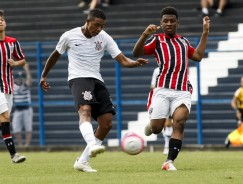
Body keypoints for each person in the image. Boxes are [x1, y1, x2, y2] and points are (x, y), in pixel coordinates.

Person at [40, 8, 148, 173]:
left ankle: (82, 161)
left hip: (97, 80)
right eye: (96, 25)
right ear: (88, 21)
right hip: (78, 78)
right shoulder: (69, 35)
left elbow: (122, 60)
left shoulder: (104, 38)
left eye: (102, 26)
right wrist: (43, 76)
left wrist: (134, 63)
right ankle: (92, 144)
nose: (99, 29)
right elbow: (55, 55)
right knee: (85, 111)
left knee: (106, 123)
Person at [133, 6, 210, 171]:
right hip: (162, 90)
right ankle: (152, 123)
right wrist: (145, 34)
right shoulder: (156, 40)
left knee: (180, 122)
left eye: (172, 21)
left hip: (182, 90)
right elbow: (136, 52)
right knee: (156, 129)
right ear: (161, 23)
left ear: (177, 23)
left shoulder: (184, 41)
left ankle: (169, 161)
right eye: (165, 21)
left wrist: (205, 33)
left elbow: (197, 56)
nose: (169, 24)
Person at [0, 10, 26, 163]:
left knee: (3, 121)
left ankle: (13, 155)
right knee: (5, 117)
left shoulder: (12, 42)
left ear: (6, 23)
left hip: (8, 86)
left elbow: (22, 59)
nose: (0, 21)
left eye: (2, 19)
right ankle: (13, 154)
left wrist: (15, 63)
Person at [149, 67, 172, 155]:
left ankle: (167, 146)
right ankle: (167, 144)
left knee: (168, 123)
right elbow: (153, 85)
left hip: (173, 96)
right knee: (163, 123)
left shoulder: (176, 67)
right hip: (160, 97)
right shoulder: (157, 70)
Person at [12, 63, 33, 147]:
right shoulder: (13, 86)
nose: (19, 80)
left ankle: (27, 144)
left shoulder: (26, 85)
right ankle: (20, 144)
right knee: (16, 128)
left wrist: (27, 70)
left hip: (27, 109)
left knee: (28, 128)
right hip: (18, 109)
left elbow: (29, 81)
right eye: (18, 78)